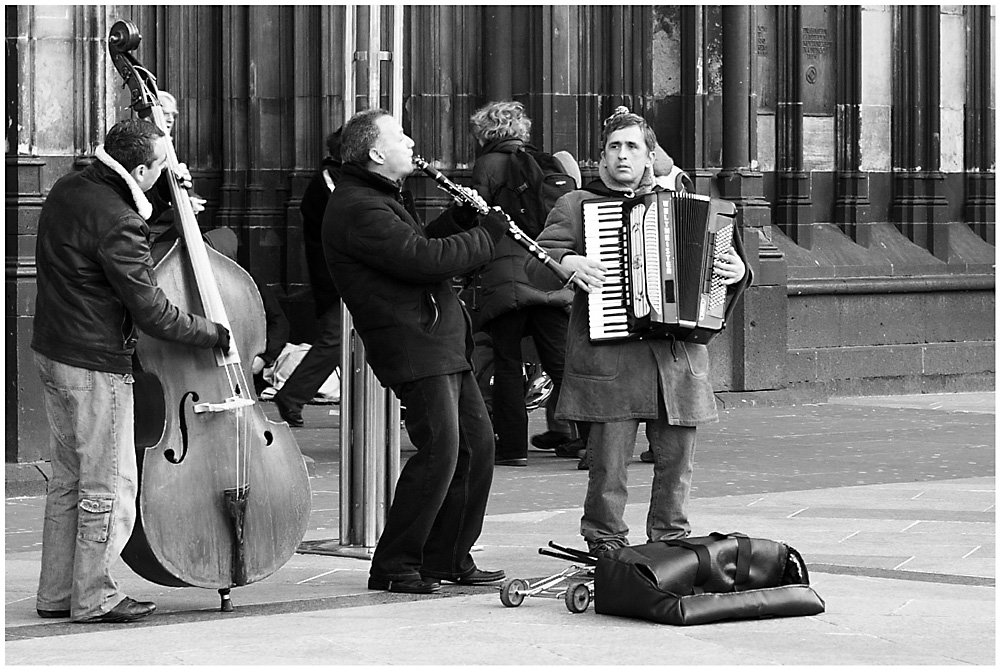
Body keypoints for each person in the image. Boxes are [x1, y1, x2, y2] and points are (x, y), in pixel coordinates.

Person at [31, 118, 231, 623]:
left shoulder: (70, 186)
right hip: (93, 361)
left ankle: (58, 593)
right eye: (160, 168)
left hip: (54, 348)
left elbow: (103, 241)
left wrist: (163, 206)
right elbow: (153, 312)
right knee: (109, 483)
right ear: (140, 168)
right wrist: (213, 331)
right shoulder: (119, 220)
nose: (165, 175)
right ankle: (94, 595)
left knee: (69, 480)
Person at [525, 107, 747, 555]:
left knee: (677, 465)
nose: (623, 156)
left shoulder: (688, 203)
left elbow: (729, 270)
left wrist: (740, 270)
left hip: (676, 361)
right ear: (602, 158)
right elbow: (535, 263)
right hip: (611, 360)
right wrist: (567, 264)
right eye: (614, 148)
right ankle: (604, 543)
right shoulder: (576, 205)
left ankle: (670, 544)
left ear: (650, 157)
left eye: (633, 147)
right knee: (608, 467)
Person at [324, 109, 508, 594]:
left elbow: (418, 244)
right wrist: (487, 236)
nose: (411, 142)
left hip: (437, 338)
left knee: (476, 445)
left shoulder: (379, 196)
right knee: (440, 450)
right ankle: (394, 563)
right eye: (400, 135)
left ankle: (446, 556)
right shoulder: (358, 206)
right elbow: (425, 261)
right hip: (412, 343)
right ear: (375, 152)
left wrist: (459, 219)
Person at [467, 101, 575, 466]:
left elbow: (474, 218)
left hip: (504, 277)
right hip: (546, 271)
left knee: (507, 362)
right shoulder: (546, 163)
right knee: (562, 364)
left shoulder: (487, 165)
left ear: (485, 132)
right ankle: (589, 441)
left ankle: (512, 447)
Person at [273, 129, 345, 426]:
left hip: (339, 272)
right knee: (335, 340)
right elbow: (345, 214)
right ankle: (291, 395)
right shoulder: (330, 178)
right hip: (335, 275)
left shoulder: (337, 177)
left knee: (344, 341)